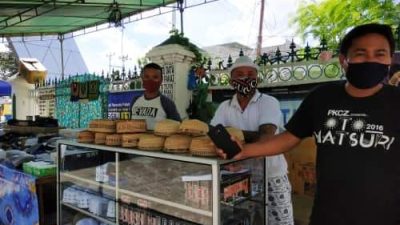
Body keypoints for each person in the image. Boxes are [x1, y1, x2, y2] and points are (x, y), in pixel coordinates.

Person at [218, 23, 400, 225]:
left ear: (390, 60)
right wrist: (244, 151)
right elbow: (288, 139)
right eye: (361, 53)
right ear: (343, 60)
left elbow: (268, 132)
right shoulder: (322, 97)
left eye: (380, 54)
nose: (370, 60)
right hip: (328, 214)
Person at [211, 55, 294, 225]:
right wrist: (231, 136)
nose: (246, 77)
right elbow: (214, 134)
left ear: (257, 78)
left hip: (272, 174)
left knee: (279, 221)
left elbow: (267, 137)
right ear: (231, 81)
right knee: (241, 220)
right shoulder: (224, 107)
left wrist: (233, 133)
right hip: (238, 176)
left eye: (250, 73)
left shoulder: (268, 102)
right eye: (240, 74)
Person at [130, 63, 181, 129]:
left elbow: (177, 127)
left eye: (155, 77)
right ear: (142, 79)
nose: (150, 81)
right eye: (147, 77)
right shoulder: (135, 100)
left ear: (161, 80)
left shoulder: (167, 103)